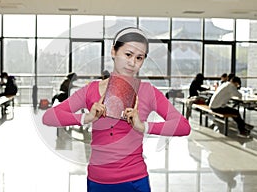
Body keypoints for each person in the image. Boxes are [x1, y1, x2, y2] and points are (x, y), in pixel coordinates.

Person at [42, 27, 191, 192]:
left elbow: (183, 126)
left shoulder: (148, 91)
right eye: (128, 54)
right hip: (99, 180)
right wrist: (87, 118)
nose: (132, 62)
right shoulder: (91, 90)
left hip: (135, 180)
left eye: (139, 58)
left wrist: (143, 126)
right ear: (113, 51)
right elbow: (49, 117)